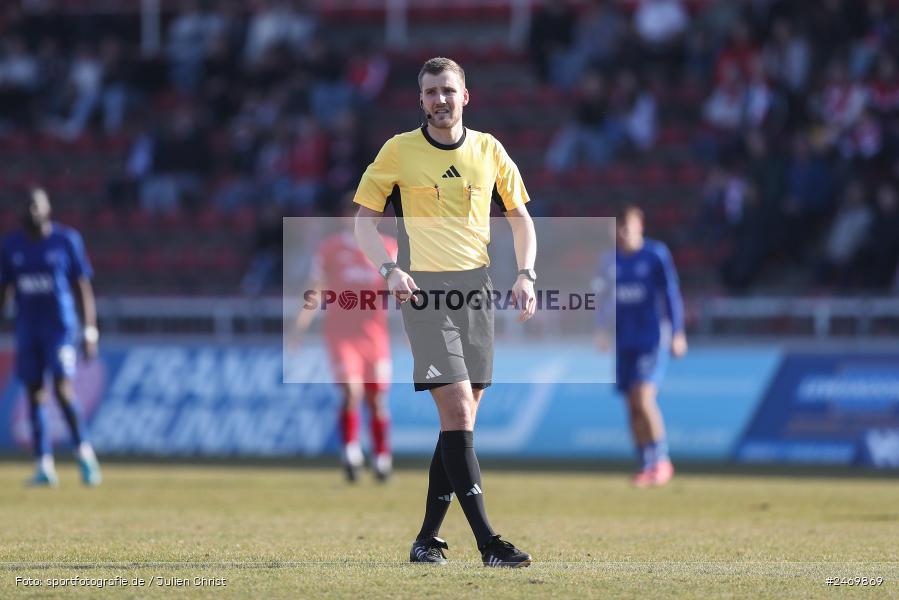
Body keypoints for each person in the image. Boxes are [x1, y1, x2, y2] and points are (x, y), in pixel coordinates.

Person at [353, 57, 537, 568]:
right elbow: (363, 224)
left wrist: (526, 275)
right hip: (423, 293)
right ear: (420, 100)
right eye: (431, 92)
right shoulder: (398, 151)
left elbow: (522, 222)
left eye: (448, 90)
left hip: (476, 292)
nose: (440, 100)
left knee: (461, 421)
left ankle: (426, 539)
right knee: (457, 410)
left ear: (465, 96)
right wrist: (390, 270)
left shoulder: (489, 150)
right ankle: (488, 544)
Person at [0, 188, 102, 487]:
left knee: (62, 389)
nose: (31, 211)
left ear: (47, 208)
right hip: (28, 330)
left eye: (36, 205)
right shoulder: (11, 246)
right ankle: (44, 464)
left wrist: (90, 329)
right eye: (27, 206)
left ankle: (84, 453)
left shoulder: (66, 240)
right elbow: (5, 289)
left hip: (59, 330)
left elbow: (82, 287)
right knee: (33, 394)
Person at [291, 212, 397, 483]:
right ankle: (351, 454)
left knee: (378, 400)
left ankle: (381, 458)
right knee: (351, 391)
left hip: (374, 336)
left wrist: (414, 327)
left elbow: (399, 290)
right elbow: (316, 288)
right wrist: (300, 326)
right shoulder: (331, 248)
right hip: (341, 334)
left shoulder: (388, 246)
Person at [595, 205, 686, 487]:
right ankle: (646, 463)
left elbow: (671, 294)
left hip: (652, 339)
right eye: (618, 227)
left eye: (627, 226)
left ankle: (662, 460)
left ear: (640, 226)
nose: (622, 233)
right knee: (631, 404)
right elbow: (603, 300)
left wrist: (678, 332)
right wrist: (602, 330)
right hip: (625, 341)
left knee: (644, 396)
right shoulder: (609, 261)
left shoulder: (655, 255)